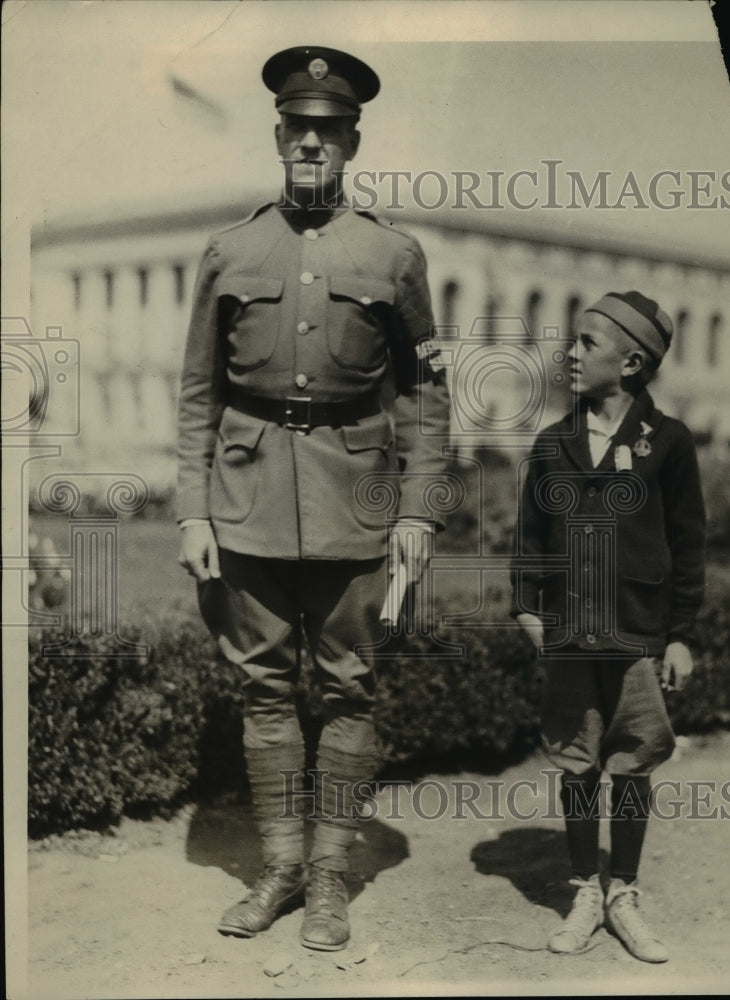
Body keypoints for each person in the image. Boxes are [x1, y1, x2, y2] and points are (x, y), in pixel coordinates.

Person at [177, 45, 450, 952]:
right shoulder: (230, 251)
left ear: (352, 143)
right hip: (246, 495)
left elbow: (422, 391)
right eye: (297, 128)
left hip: (357, 500)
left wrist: (416, 508)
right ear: (278, 134)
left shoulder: (394, 254)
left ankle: (330, 876)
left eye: (327, 132)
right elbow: (197, 396)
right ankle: (281, 868)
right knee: (261, 691)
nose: (310, 143)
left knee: (348, 690)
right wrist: (190, 510)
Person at [511, 291, 705, 963]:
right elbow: (529, 538)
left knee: (631, 761)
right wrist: (527, 608)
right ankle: (581, 889)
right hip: (568, 630)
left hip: (636, 631)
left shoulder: (668, 442)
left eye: (585, 343)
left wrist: (678, 634)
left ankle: (621, 890)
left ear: (629, 362)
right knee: (576, 759)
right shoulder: (550, 443)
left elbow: (687, 542)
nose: (568, 352)